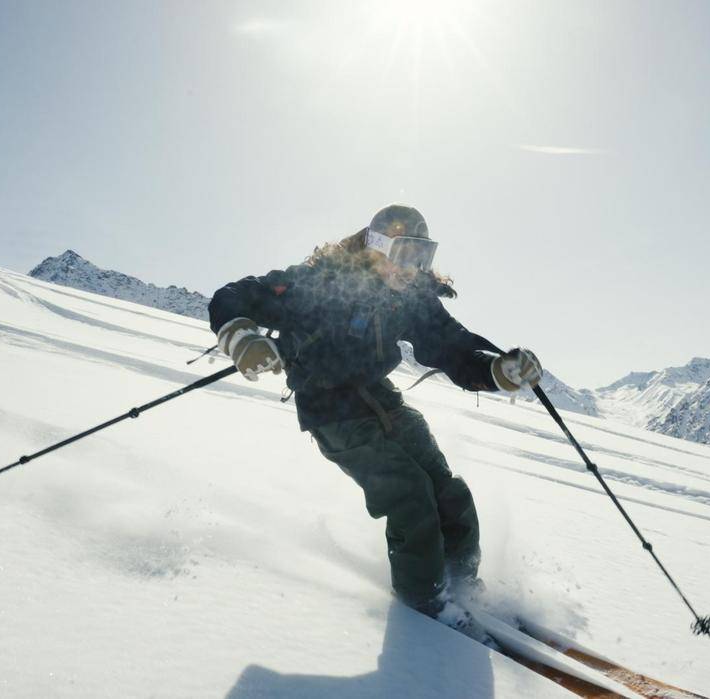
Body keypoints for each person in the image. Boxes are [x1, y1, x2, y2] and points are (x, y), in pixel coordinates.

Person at [208, 204, 542, 640]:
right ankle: (426, 601)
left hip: (383, 401)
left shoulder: (411, 298)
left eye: (423, 256)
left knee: (448, 492)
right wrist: (241, 337)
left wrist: (498, 371)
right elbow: (236, 295)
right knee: (409, 494)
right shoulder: (321, 281)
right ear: (376, 246)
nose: (413, 267)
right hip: (331, 410)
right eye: (404, 253)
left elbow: (453, 347)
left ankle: (465, 586)